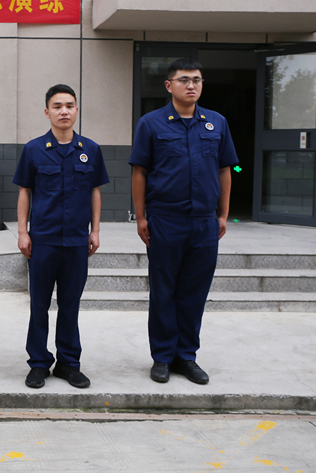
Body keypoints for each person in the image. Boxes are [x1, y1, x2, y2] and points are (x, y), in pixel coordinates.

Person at [130, 58, 238, 385]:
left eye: (197, 80)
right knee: (164, 291)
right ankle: (162, 357)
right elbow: (139, 172)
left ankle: (186, 357)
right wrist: (141, 217)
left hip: (204, 223)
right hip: (165, 220)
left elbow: (225, 169)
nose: (191, 85)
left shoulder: (216, 123)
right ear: (169, 85)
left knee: (194, 292)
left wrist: (223, 214)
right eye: (184, 80)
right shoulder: (151, 123)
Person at [13, 84, 108, 390]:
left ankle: (68, 363)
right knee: (39, 305)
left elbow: (95, 191)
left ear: (76, 110)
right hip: (43, 241)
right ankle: (39, 363)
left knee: (70, 305)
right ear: (47, 112)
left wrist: (95, 230)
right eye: (57, 106)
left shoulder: (90, 149)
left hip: (76, 242)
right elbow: (25, 192)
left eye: (69, 105)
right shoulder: (34, 149)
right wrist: (23, 232)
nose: (64, 111)